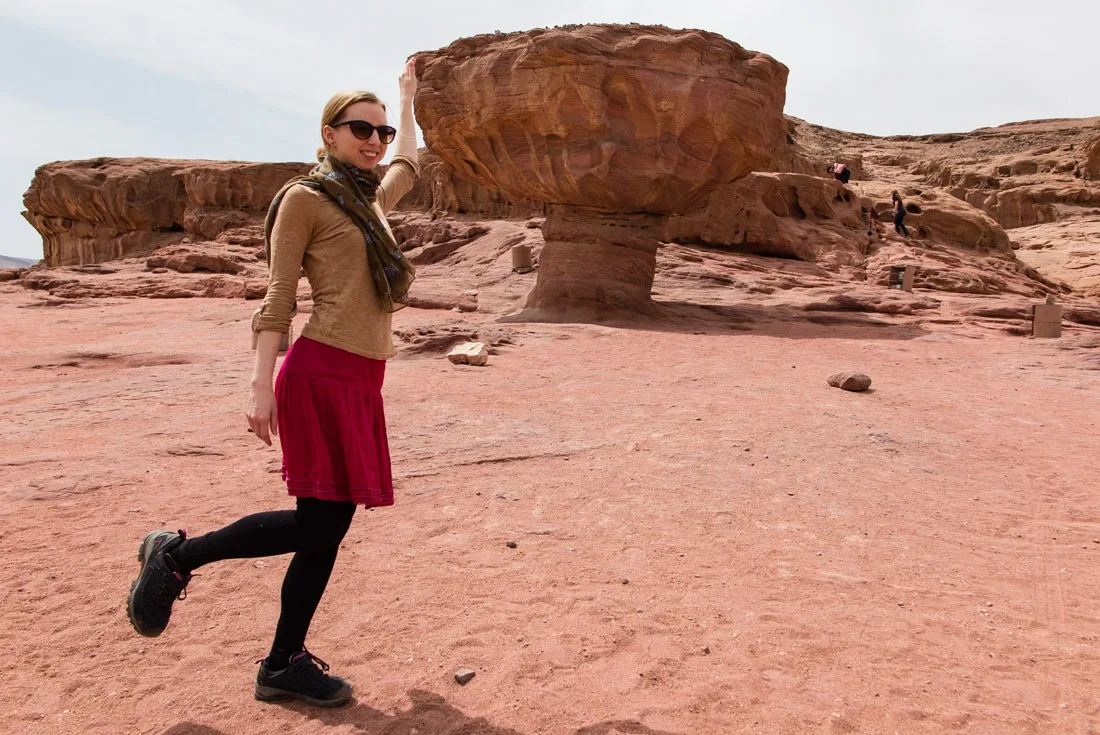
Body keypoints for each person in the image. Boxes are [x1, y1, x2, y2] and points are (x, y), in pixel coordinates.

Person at [125, 58, 421, 708]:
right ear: (328, 133)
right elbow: (279, 296)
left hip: (361, 380)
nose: (374, 140)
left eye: (382, 131)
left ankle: (279, 655)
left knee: (326, 526)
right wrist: (261, 384)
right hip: (316, 375)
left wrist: (407, 99)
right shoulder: (306, 200)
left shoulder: (369, 200)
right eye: (360, 128)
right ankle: (180, 559)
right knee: (321, 526)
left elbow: (412, 168)